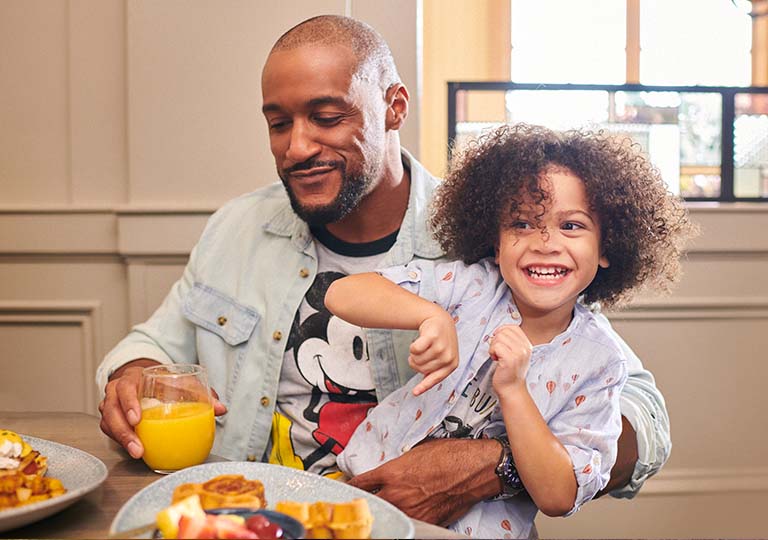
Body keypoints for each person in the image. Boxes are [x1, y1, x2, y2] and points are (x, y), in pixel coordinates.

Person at [96, 14, 672, 527]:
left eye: (326, 116)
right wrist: (132, 374)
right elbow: (155, 345)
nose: (296, 147)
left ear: (394, 106)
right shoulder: (236, 228)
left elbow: (642, 420)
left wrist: (498, 466)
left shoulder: (498, 242)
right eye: (278, 123)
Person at [325, 123, 696, 537]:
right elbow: (343, 292)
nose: (545, 242)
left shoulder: (601, 361)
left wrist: (515, 390)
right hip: (357, 499)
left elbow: (558, 496)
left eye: (571, 226)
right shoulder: (471, 287)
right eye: (521, 224)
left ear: (607, 247)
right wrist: (432, 316)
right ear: (496, 242)